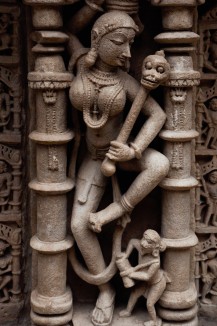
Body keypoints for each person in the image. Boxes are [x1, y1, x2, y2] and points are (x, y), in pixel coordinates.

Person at [69, 11, 169, 326]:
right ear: (97, 38)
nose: (127, 53)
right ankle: (104, 290)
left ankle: (114, 211)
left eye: (131, 44)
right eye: (119, 42)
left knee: (160, 162)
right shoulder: (79, 66)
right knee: (78, 227)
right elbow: (69, 35)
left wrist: (134, 148)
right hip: (94, 158)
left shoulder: (125, 81)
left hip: (121, 154)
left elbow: (157, 116)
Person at [118, 229, 168, 326]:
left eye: (148, 242)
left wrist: (130, 274)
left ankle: (154, 321)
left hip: (157, 283)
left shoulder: (155, 262)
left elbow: (147, 276)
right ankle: (128, 311)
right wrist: (126, 256)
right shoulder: (141, 247)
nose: (143, 243)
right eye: (143, 239)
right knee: (135, 293)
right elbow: (132, 242)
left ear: (154, 248)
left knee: (149, 304)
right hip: (147, 283)